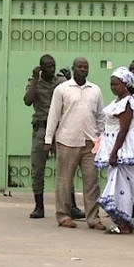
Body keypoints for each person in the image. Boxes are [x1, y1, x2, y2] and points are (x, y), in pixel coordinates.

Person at [44, 57, 105, 230]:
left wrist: (101, 138)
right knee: (64, 181)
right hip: (67, 141)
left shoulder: (95, 90)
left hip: (90, 143)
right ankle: (63, 216)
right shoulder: (62, 89)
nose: (82, 69)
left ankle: (93, 218)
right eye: (79, 66)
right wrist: (48, 140)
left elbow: (100, 116)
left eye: (85, 67)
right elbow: (53, 115)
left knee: (92, 182)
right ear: (73, 68)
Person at [23, 54, 85, 220]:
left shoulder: (61, 81)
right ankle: (39, 206)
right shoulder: (34, 82)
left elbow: (74, 96)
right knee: (38, 169)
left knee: (66, 167)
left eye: (53, 66)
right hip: (41, 129)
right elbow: (27, 101)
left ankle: (71, 206)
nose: (52, 69)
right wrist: (36, 80)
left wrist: (69, 79)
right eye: (48, 67)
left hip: (60, 129)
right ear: (41, 68)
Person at [93, 67, 134, 234]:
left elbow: (123, 130)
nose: (113, 87)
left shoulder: (127, 103)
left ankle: (124, 223)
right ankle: (121, 221)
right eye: (111, 84)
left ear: (125, 84)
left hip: (123, 148)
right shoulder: (117, 102)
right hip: (115, 146)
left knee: (122, 185)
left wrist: (114, 152)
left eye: (116, 84)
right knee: (117, 184)